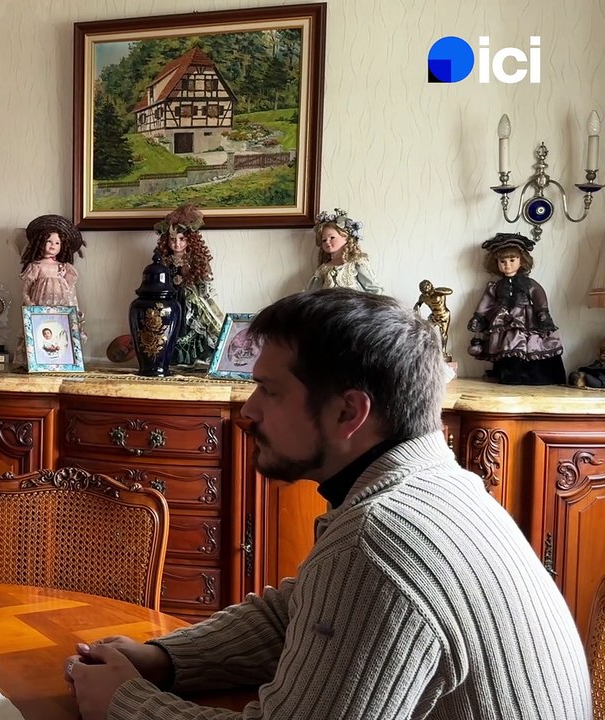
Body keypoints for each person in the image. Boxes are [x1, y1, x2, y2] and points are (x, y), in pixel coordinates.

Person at [65, 288, 590, 720]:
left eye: (269, 391)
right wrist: (163, 658)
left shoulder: (377, 540)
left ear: (348, 413)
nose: (249, 411)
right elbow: (294, 615)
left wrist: (124, 703)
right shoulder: (438, 487)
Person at [467, 233, 566, 385]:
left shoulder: (528, 283)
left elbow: (539, 298)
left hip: (526, 320)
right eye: (502, 261)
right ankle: (510, 374)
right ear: (496, 263)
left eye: (512, 260)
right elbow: (486, 302)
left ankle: (530, 374)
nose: (507, 265)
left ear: (522, 261)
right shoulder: (495, 286)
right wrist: (478, 317)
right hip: (504, 321)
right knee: (506, 344)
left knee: (531, 343)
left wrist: (542, 314)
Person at [154, 204, 224, 367]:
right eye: (173, 240)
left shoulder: (195, 259)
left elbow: (204, 283)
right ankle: (173, 359)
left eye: (181, 239)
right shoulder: (164, 261)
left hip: (191, 301)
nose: (177, 244)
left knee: (195, 327)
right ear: (166, 241)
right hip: (171, 301)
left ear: (189, 240)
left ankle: (195, 359)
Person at [306, 208, 382, 294]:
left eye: (332, 237)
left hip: (354, 302)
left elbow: (374, 289)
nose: (327, 242)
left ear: (345, 237)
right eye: (324, 240)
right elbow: (312, 294)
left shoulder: (356, 263)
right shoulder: (323, 269)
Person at [20, 214, 87, 308]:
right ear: (41, 242)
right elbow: (26, 289)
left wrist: (75, 309)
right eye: (49, 241)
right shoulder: (36, 266)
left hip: (61, 309)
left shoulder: (64, 267)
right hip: (40, 308)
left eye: (57, 243)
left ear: (62, 246)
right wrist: (28, 303)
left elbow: (71, 291)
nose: (53, 245)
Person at [413, 278, 454, 363]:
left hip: (443, 315)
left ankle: (443, 352)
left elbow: (450, 291)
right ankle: (427, 351)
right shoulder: (423, 297)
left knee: (443, 334)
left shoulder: (438, 293)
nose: (427, 293)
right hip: (433, 316)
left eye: (427, 289)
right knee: (425, 332)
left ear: (431, 287)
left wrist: (437, 290)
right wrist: (417, 306)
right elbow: (418, 303)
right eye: (424, 291)